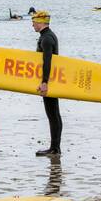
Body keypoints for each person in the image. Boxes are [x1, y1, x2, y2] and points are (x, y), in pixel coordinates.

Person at [32, 10, 62, 156]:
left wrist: (44, 82)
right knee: (54, 113)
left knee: (53, 114)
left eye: (34, 22)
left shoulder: (47, 39)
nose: (32, 24)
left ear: (41, 22)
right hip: (52, 80)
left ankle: (55, 149)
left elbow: (47, 62)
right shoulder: (47, 36)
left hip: (50, 81)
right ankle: (55, 147)